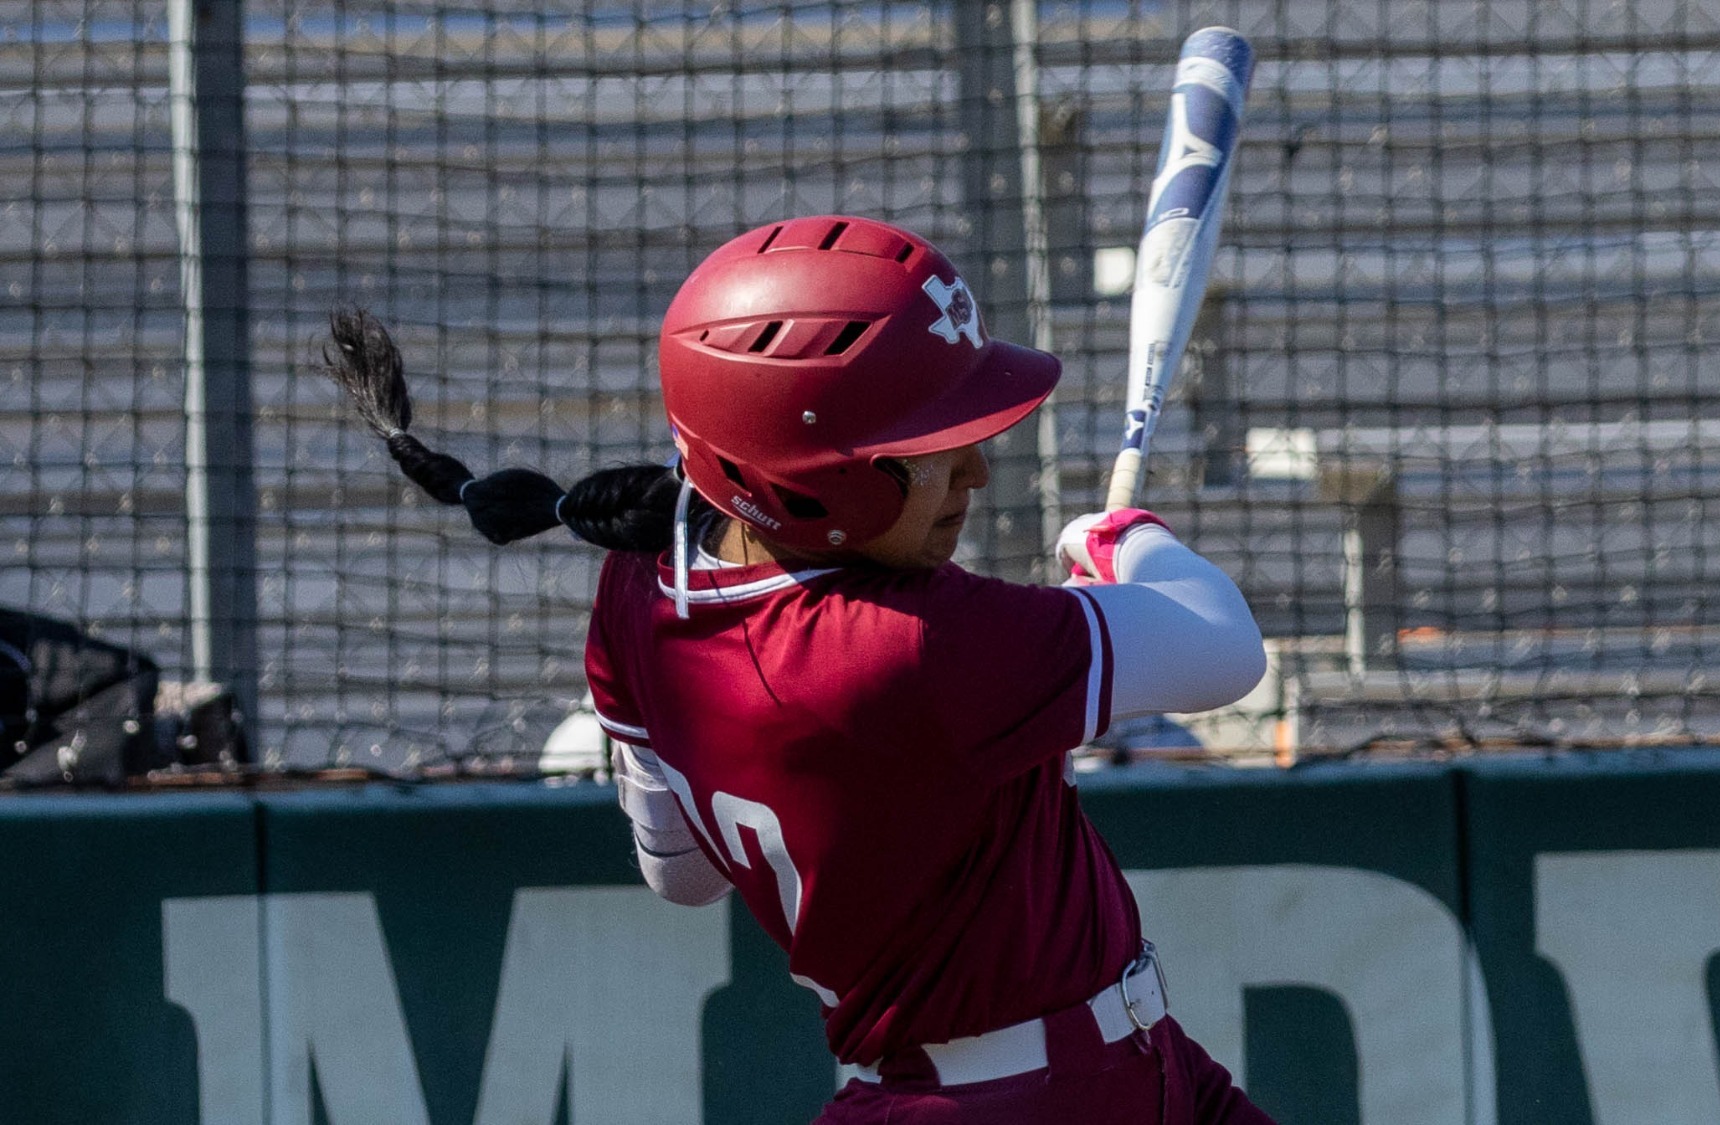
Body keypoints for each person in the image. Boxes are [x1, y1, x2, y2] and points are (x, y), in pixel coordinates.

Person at [323, 214, 1275, 1123]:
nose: (978, 472)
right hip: (1030, 1098)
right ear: (814, 482)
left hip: (1122, 1071)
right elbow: (1223, 645)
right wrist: (1125, 540)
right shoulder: (913, 646)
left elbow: (683, 875)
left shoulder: (639, 591)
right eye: (934, 448)